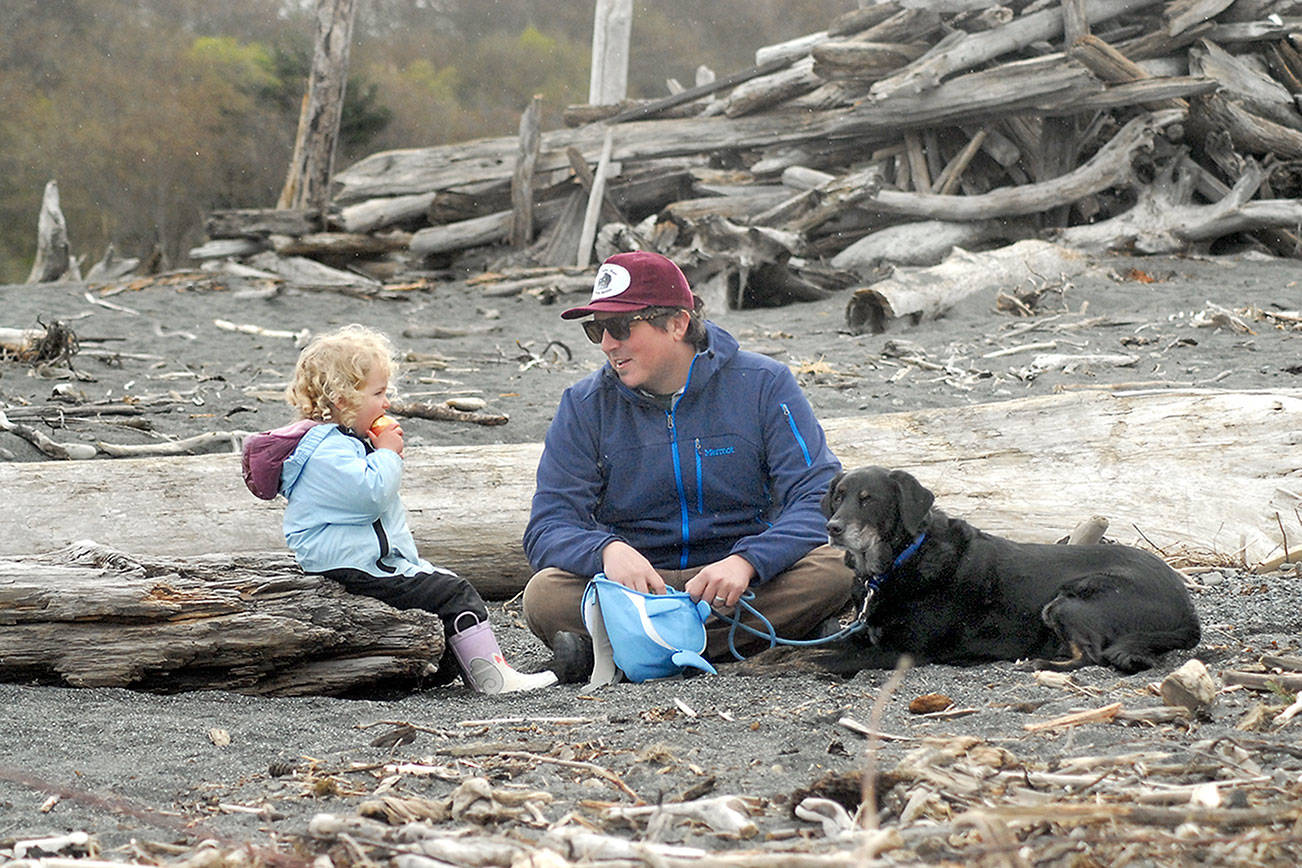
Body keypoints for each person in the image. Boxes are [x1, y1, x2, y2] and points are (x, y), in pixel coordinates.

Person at [522, 251, 854, 682]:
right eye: (595, 328)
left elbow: (821, 498)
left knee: (838, 566)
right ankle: (759, 639)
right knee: (544, 596)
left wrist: (748, 560)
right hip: (637, 588)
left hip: (740, 585)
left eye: (620, 326)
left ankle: (627, 649)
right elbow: (547, 526)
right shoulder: (583, 406)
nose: (606, 343)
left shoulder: (764, 384)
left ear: (678, 323)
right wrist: (607, 551)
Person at [243, 324, 556, 694]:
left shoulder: (342, 443)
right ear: (342, 399)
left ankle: (445, 672)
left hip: (362, 560)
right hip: (352, 564)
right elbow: (369, 497)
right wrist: (388, 454)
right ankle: (492, 678)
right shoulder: (326, 450)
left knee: (435, 590)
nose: (387, 403)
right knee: (454, 593)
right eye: (378, 393)